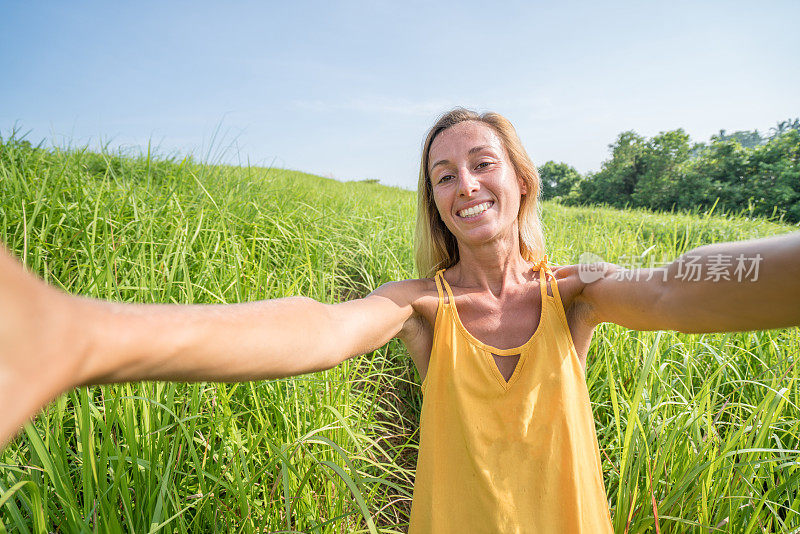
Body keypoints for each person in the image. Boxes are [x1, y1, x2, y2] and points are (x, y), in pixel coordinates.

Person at [0, 108, 798, 532]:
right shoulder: (420, 304)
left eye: (483, 163)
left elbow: (673, 290)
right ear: (436, 201)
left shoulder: (575, 292)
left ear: (520, 179)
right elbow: (314, 329)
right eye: (444, 174)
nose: (465, 183)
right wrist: (82, 334)